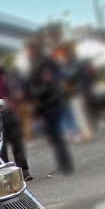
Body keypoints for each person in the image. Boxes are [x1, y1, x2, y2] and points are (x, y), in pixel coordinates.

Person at [25, 39, 74, 175]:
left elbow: (45, 84)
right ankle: (63, 163)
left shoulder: (43, 63)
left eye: (29, 50)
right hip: (48, 103)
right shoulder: (39, 63)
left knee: (56, 135)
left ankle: (65, 164)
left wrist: (35, 92)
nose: (28, 53)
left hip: (50, 103)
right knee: (54, 136)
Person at [0, 51, 29, 177]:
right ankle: (7, 174)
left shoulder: (6, 75)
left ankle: (24, 171)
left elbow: (16, 90)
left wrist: (15, 99)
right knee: (1, 147)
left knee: (17, 143)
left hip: (10, 112)